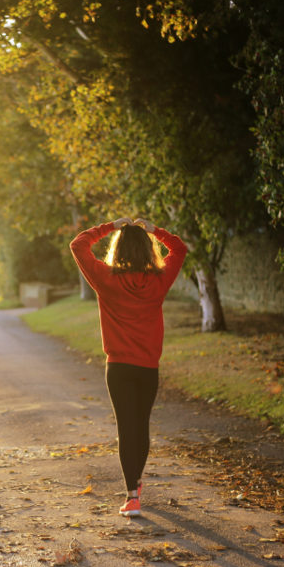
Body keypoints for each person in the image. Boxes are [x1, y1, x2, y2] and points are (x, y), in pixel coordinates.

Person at [70, 217, 188, 517]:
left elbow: (78, 244)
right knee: (141, 426)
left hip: (119, 367)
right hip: (148, 367)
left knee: (126, 428)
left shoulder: (105, 278)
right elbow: (180, 248)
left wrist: (110, 226)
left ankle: (132, 496)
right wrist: (155, 230)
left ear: (118, 249)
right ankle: (135, 484)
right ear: (148, 251)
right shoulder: (160, 279)